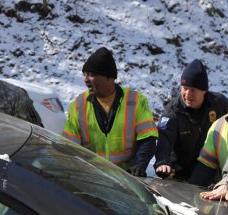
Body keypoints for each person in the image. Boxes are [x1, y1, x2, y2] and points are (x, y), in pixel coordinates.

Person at [62, 47, 157, 176]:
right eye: (85, 74)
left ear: (109, 78)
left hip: (127, 179)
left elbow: (148, 139)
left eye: (92, 74)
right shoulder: (78, 106)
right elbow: (68, 146)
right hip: (92, 177)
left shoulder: (136, 101)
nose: (86, 79)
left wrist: (138, 165)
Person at [154, 59, 228, 181]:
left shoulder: (219, 103)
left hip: (210, 172)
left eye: (193, 90)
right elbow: (164, 140)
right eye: (185, 88)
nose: (188, 94)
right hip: (179, 175)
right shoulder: (172, 112)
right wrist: (162, 162)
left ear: (204, 90)